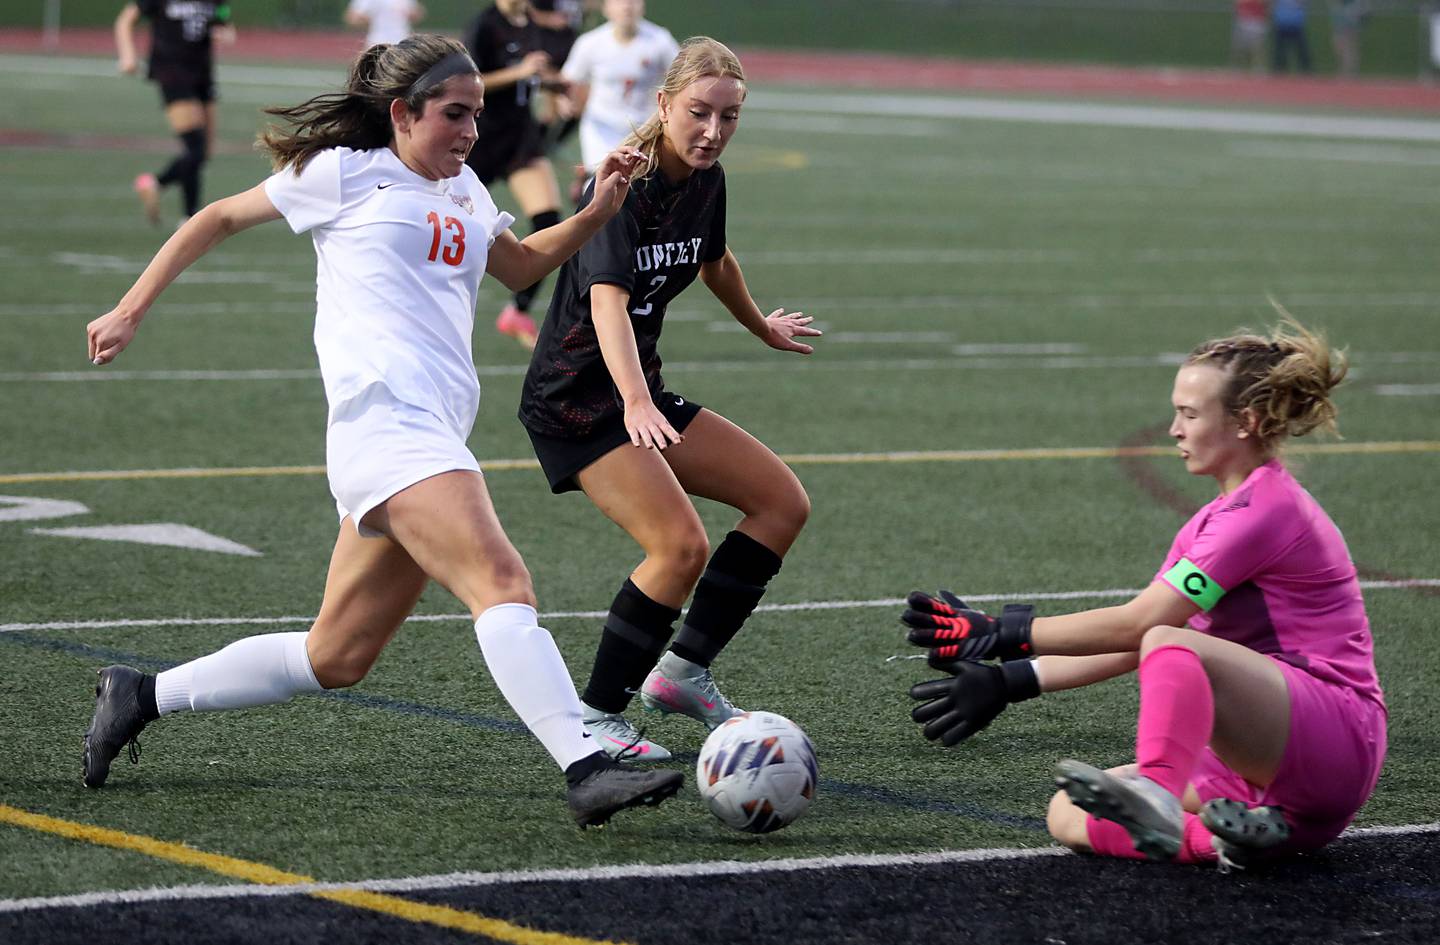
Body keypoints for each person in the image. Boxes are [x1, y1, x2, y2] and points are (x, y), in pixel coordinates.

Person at [80, 34, 682, 829]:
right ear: (401, 113)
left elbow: (522, 266)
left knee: (336, 656)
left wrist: (598, 211)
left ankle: (140, 693)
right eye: (453, 114)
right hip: (383, 425)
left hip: (430, 431)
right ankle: (586, 761)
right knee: (501, 581)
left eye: (478, 115)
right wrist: (129, 307)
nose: (470, 132)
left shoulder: (465, 185)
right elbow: (218, 217)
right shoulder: (344, 173)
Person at [901, 317, 1385, 870]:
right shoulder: (1215, 519)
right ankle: (1230, 841)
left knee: (1165, 639)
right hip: (1270, 776)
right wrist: (1012, 679)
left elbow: (1147, 629)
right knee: (1067, 812)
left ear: (1247, 420)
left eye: (1189, 413)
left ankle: (1157, 788)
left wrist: (1003, 633)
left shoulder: (1263, 511)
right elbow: (1148, 640)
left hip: (1333, 738)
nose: (1174, 429)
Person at [518, 37, 823, 761]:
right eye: (698, 112)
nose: (713, 130)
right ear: (663, 104)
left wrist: (761, 326)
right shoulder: (620, 184)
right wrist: (632, 400)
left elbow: (715, 260)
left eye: (729, 116)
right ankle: (594, 719)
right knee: (678, 545)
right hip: (576, 401)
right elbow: (606, 306)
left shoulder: (707, 181)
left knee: (782, 502)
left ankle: (681, 672)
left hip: (635, 394)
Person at [463, 0, 569, 350]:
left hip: (521, 140)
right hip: (481, 139)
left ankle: (517, 310)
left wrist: (553, 86)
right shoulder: (485, 24)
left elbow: (532, 77)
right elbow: (470, 81)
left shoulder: (536, 24)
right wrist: (520, 72)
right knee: (454, 217)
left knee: (549, 220)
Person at [114, 0, 236, 226]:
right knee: (195, 147)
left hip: (202, 73)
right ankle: (190, 218)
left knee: (204, 152)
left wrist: (225, 31)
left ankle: (154, 183)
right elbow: (125, 20)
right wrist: (128, 55)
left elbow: (222, 18)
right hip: (171, 72)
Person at [557, 0, 678, 206]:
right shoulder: (590, 43)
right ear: (606, 8)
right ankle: (589, 193)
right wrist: (563, 101)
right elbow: (567, 81)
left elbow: (682, 76)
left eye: (633, 1)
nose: (627, 6)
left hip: (644, 128)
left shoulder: (660, 40)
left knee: (645, 190)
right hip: (601, 128)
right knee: (601, 188)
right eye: (620, 1)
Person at [344, 0, 425, 49]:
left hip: (402, 41)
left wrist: (414, 13)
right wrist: (370, 20)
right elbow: (352, 17)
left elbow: (416, 14)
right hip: (378, 41)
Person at [1271, 0, 1313, 72]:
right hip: (1281, 23)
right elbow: (1272, 4)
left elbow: (1306, 3)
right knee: (1279, 50)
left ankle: (1306, 68)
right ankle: (1279, 68)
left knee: (1302, 49)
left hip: (1296, 24)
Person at [1230, 0, 1269, 72]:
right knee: (1239, 48)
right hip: (1243, 21)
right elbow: (1237, 6)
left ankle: (1258, 67)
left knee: (1257, 48)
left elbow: (1264, 5)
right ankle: (1237, 67)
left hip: (1256, 22)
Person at [1330, 0, 1366, 76]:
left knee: (1348, 47)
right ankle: (1348, 70)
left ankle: (1348, 71)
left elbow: (1359, 7)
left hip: (1349, 21)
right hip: (1340, 21)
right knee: (1340, 46)